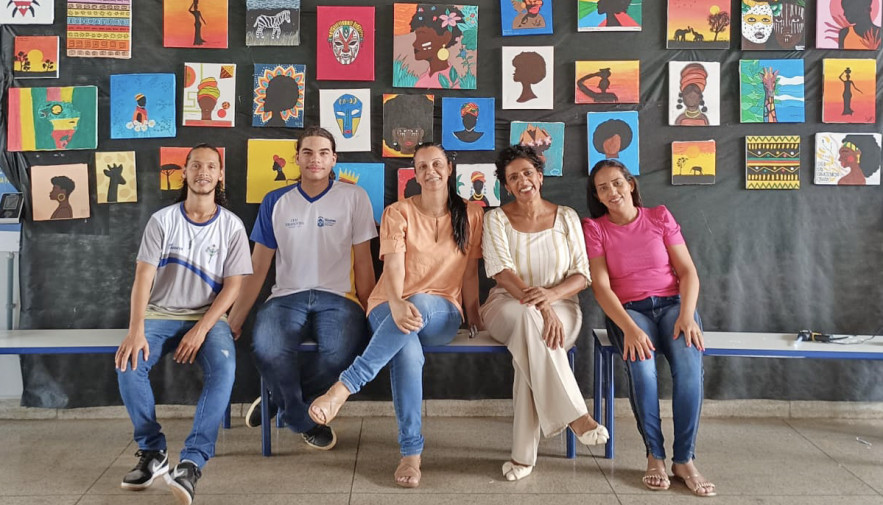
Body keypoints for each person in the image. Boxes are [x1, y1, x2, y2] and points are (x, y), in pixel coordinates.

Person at [308, 143, 483, 488]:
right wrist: (397, 302)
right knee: (406, 350)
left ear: (449, 168)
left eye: (437, 164)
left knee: (417, 303)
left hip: (442, 311)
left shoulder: (472, 214)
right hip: (387, 304)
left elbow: (469, 272)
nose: (430, 171)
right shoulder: (397, 212)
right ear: (414, 174)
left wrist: (474, 313)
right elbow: (394, 268)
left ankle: (344, 387)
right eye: (422, 166)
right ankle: (410, 454)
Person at [114, 144, 252, 505]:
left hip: (207, 316)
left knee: (224, 368)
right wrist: (135, 330)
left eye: (211, 166)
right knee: (129, 364)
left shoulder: (232, 226)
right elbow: (143, 278)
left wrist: (201, 329)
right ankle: (152, 451)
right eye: (196, 165)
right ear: (185, 172)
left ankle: (192, 462)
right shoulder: (162, 220)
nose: (203, 172)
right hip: (159, 313)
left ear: (220, 175)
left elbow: (234, 286)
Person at [228, 126, 377, 450]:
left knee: (339, 353)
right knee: (267, 348)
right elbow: (258, 266)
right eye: (307, 152)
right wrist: (235, 318)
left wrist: (373, 312)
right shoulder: (275, 201)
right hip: (286, 297)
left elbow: (365, 263)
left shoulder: (355, 197)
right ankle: (299, 416)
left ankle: (277, 398)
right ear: (297, 158)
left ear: (334, 159)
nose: (315, 159)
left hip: (340, 298)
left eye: (323, 153)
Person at [582, 159, 716, 497]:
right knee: (643, 370)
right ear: (597, 196)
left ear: (630, 184)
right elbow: (601, 287)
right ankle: (654, 455)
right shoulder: (595, 228)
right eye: (602, 188)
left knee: (689, 368)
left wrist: (687, 314)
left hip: (673, 306)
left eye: (617, 183)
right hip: (629, 311)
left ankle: (684, 459)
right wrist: (628, 328)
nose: (612, 191)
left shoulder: (659, 216)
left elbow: (687, 271)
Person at [480, 145, 608, 482]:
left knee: (530, 347)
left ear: (539, 176)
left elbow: (582, 275)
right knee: (529, 322)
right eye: (513, 177)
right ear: (506, 186)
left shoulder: (566, 217)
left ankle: (522, 458)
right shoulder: (495, 219)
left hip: (563, 304)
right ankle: (575, 414)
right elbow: (501, 273)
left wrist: (550, 299)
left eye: (527, 173)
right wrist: (541, 307)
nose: (522, 180)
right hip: (506, 304)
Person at [409, 4, 465, 88]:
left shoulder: (455, 83)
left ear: (446, 38)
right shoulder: (422, 79)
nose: (414, 43)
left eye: (422, 35)